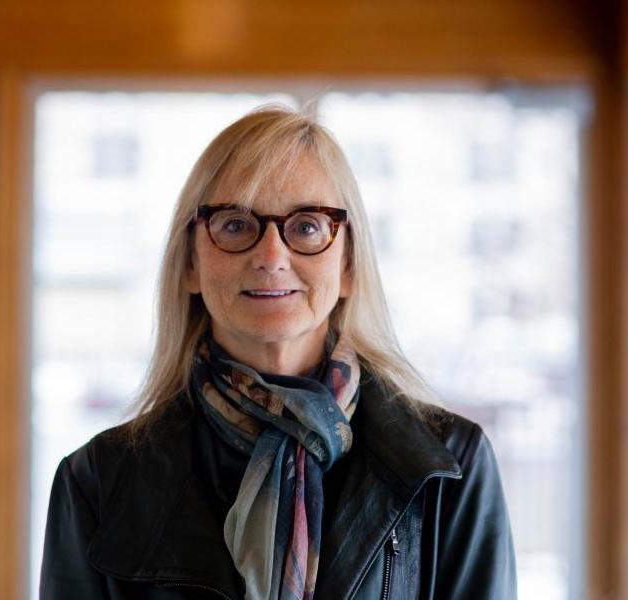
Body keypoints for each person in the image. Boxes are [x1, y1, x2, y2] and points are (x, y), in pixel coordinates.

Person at [39, 105, 517, 599]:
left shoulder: (449, 468)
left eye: (308, 226)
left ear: (349, 264)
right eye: (234, 225)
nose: (270, 257)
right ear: (190, 266)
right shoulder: (99, 482)